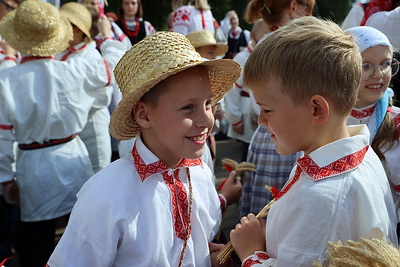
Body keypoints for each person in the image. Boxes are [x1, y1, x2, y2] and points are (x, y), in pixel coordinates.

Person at [46, 31, 243, 266]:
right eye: (188, 107)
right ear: (144, 115)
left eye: (208, 103)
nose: (206, 120)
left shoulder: (198, 172)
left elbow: (196, 243)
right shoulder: (106, 194)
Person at [227, 16, 398, 266]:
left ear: (317, 109)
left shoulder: (321, 198)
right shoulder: (359, 155)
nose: (261, 121)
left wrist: (252, 253)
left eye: (268, 109)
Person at [0, 0, 120, 265]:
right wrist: (108, 37)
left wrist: (7, 180)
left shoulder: (6, 80)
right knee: (83, 229)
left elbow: (3, 138)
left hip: (35, 167)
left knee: (37, 242)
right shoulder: (76, 69)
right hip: (75, 158)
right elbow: (112, 71)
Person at [239, 0, 314, 217]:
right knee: (280, 208)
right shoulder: (293, 46)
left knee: (262, 206)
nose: (309, 15)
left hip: (265, 135)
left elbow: (257, 106)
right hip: (286, 135)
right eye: (307, 9)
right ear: (293, 7)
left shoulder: (262, 43)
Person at [57, 2, 125, 173]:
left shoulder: (89, 55)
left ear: (78, 30)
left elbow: (116, 66)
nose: (57, 28)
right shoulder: (60, 53)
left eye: (63, 24)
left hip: (92, 126)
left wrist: (107, 36)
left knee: (96, 175)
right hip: (69, 129)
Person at [345, 26, 400, 225]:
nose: (378, 75)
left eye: (385, 64)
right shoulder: (325, 117)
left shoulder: (396, 124)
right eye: (365, 66)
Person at [224, 19, 268, 163]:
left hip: (267, 116)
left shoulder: (271, 57)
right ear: (252, 37)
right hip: (246, 114)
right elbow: (231, 91)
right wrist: (235, 118)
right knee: (248, 154)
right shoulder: (242, 58)